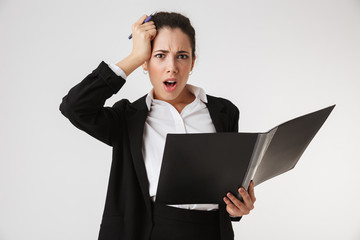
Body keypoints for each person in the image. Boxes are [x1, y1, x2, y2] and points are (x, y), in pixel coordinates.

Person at [60, 11, 256, 240]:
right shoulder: (127, 119)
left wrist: (236, 209)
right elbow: (74, 107)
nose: (171, 67)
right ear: (146, 62)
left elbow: (228, 188)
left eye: (182, 56)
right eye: (160, 55)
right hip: (150, 231)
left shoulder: (224, 113)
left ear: (193, 61)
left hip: (211, 232)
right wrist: (134, 56)